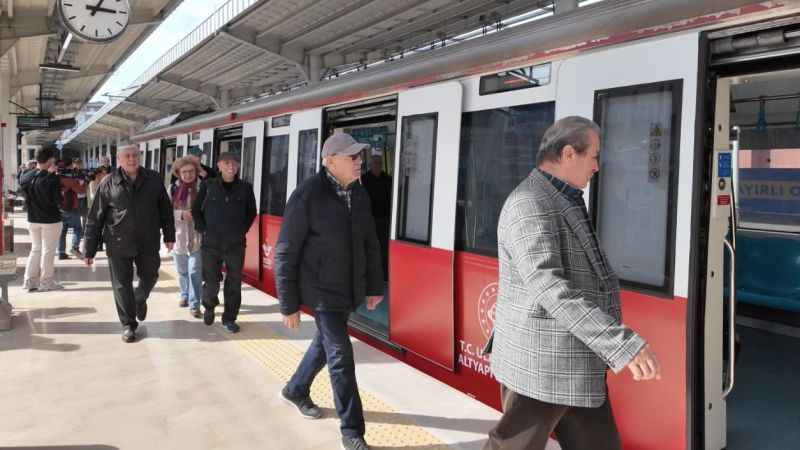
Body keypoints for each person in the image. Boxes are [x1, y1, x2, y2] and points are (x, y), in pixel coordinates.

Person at [483, 117, 661, 450]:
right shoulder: (530, 203)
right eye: (593, 156)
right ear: (568, 153)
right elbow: (550, 288)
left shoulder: (561, 198)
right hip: (542, 363)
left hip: (574, 360)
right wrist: (622, 343)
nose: (597, 166)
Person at [275, 132, 384, 450]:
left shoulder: (359, 194)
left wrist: (374, 286)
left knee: (324, 345)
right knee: (341, 356)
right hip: (322, 290)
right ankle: (352, 432)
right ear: (330, 161)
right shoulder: (308, 194)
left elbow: (370, 243)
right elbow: (286, 250)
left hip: (348, 288)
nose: (359, 162)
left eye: (360, 156)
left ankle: (295, 389)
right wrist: (288, 303)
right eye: (352, 157)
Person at [83, 145, 175, 343]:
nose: (132, 159)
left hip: (148, 239)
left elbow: (165, 209)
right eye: (127, 156)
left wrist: (169, 235)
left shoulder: (154, 179)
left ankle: (139, 298)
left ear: (139, 157)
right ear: (119, 159)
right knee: (121, 284)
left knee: (150, 275)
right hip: (117, 241)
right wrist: (89, 249)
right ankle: (128, 325)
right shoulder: (108, 183)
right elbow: (95, 218)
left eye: (135, 155)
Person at [191, 152, 256, 333]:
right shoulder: (208, 186)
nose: (231, 166)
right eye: (227, 163)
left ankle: (229, 318)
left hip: (235, 244)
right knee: (211, 283)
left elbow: (252, 212)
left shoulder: (245, 188)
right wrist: (203, 229)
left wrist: (241, 230)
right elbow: (196, 210)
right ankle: (209, 305)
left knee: (234, 283)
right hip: (211, 244)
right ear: (219, 165)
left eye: (235, 163)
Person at [19, 148, 64, 292]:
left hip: (32, 218)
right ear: (50, 160)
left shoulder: (26, 175)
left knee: (36, 249)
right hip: (50, 220)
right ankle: (46, 282)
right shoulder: (52, 178)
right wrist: (54, 177)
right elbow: (58, 200)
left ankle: (29, 281)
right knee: (48, 251)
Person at [171, 157, 203, 318]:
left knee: (195, 271)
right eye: (184, 172)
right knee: (182, 270)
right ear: (178, 173)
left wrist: (198, 215)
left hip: (198, 238)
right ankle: (184, 294)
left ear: (196, 172)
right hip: (179, 237)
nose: (188, 175)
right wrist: (181, 214)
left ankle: (195, 303)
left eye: (191, 171)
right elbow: (163, 212)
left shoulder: (203, 188)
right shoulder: (172, 189)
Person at [360, 153, 392, 280]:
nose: (377, 166)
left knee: (384, 248)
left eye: (379, 163)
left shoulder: (387, 179)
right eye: (375, 163)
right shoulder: (364, 179)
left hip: (385, 219)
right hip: (370, 220)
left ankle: (384, 275)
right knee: (370, 248)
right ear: (370, 165)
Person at [57, 160, 87, 259]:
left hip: (59, 208)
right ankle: (74, 247)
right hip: (72, 208)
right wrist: (82, 183)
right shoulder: (71, 180)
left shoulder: (54, 179)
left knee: (62, 231)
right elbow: (81, 191)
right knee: (78, 228)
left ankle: (61, 252)